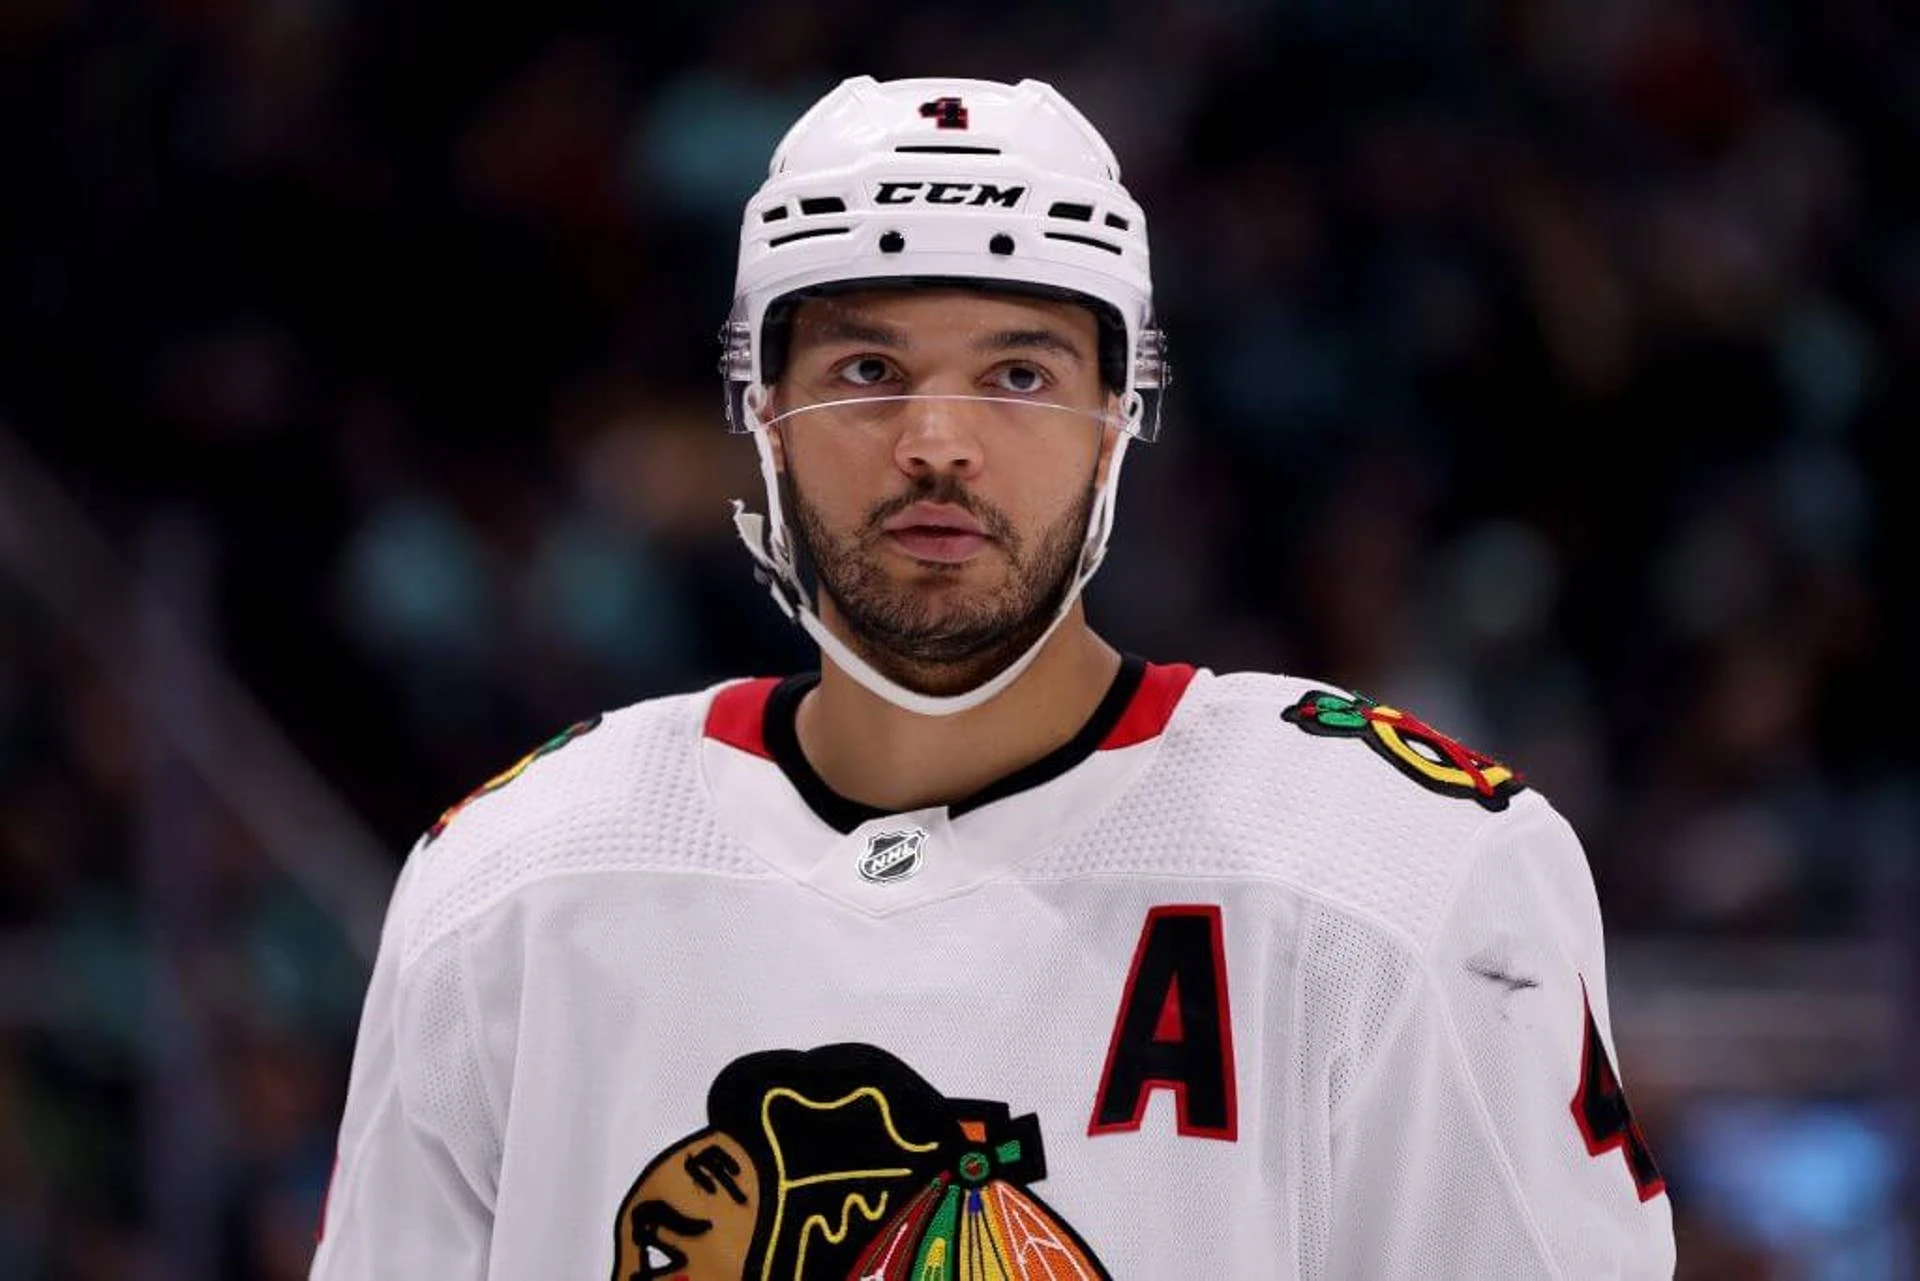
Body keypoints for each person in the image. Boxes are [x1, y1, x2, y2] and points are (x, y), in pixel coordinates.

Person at [309, 75, 1676, 1279]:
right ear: (764, 416)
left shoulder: (1400, 872)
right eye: (866, 369)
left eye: (1019, 372)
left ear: (1114, 425)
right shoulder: (515, 882)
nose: (938, 441)